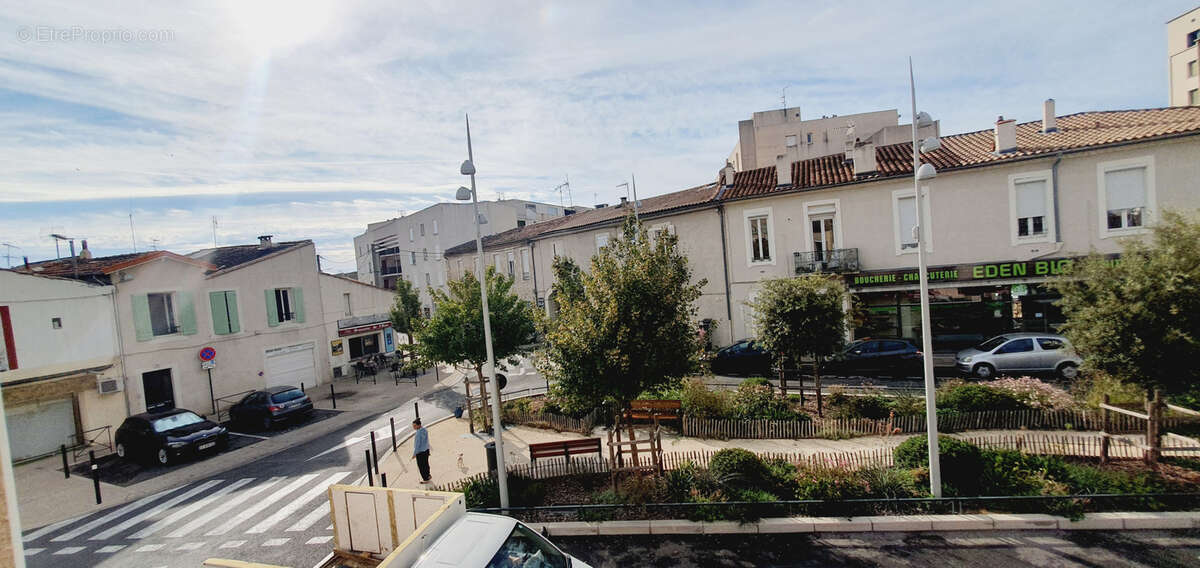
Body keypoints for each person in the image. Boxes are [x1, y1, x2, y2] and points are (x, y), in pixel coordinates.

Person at [411, 418, 431, 483]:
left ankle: (425, 479)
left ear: (418, 425)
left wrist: (414, 454)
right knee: (426, 464)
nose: (413, 427)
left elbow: (417, 445)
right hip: (426, 450)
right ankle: (428, 475)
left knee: (421, 466)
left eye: (415, 426)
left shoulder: (418, 434)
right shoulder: (425, 429)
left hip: (420, 452)